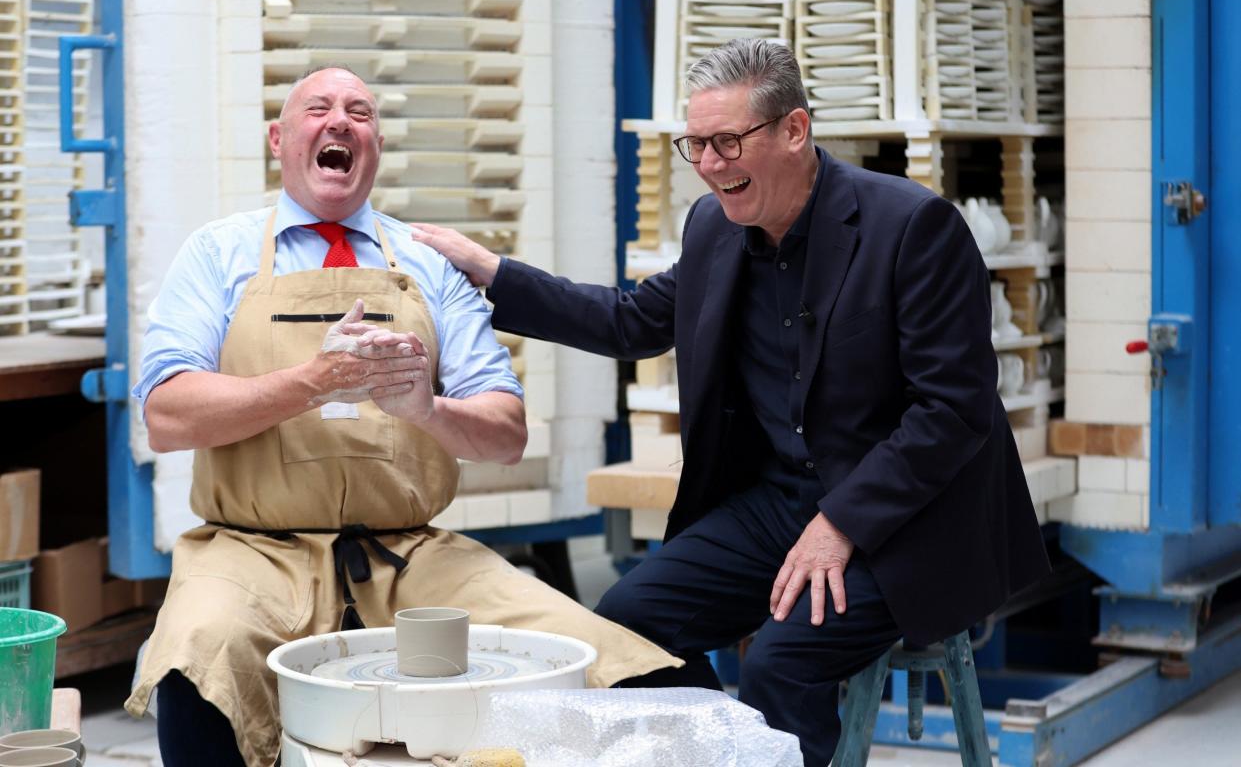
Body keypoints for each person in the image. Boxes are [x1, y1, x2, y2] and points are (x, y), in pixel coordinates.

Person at [411, 39, 1051, 766]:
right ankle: (726, 751)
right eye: (696, 145)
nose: (708, 165)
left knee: (779, 664)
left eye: (725, 142)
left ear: (794, 131)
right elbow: (631, 321)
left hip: (903, 520)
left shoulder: (911, 227)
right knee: (625, 628)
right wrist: (491, 273)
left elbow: (953, 411)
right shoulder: (715, 228)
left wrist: (839, 523)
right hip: (776, 501)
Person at [123, 66, 679, 767]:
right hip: (251, 548)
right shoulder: (217, 253)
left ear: (376, 144)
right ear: (278, 138)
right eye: (317, 108)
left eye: (359, 112)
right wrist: (310, 381)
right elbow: (166, 415)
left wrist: (428, 408)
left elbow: (504, 433)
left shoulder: (425, 262)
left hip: (409, 552)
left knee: (604, 660)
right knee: (198, 658)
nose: (339, 122)